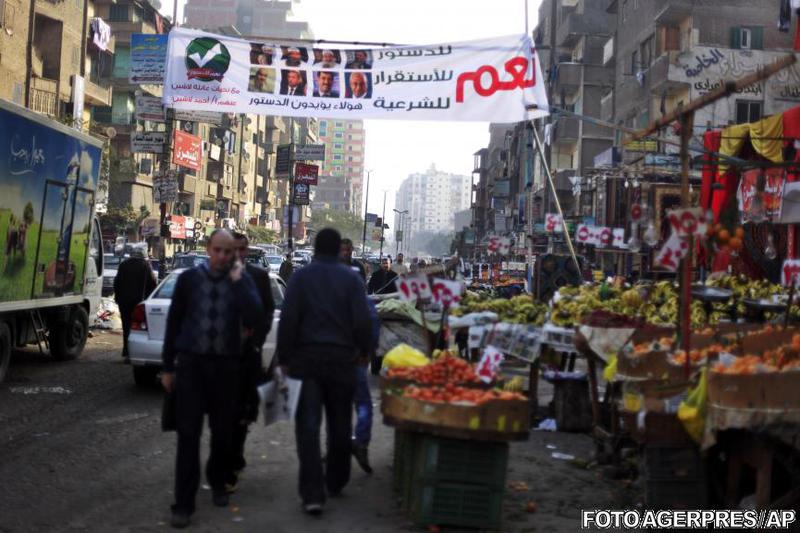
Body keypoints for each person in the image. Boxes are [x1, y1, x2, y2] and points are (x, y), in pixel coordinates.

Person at [161, 229, 265, 529]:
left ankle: (218, 483)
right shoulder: (189, 280)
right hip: (192, 366)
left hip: (226, 369)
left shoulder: (240, 281)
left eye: (228, 252)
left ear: (234, 253)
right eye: (217, 250)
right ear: (208, 249)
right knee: (188, 436)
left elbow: (256, 315)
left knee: (223, 434)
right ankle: (183, 503)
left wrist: (240, 281)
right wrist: (168, 367)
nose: (222, 256)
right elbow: (174, 322)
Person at [277, 228, 372, 515]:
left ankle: (312, 494)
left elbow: (288, 319)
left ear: (316, 249)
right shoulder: (352, 280)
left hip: (306, 362)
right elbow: (363, 320)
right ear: (337, 250)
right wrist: (363, 352)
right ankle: (336, 480)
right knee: (340, 422)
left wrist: (284, 357)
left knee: (308, 427)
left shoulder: (301, 278)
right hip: (342, 362)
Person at [227, 233, 276, 492]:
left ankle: (236, 454)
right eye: (233, 249)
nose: (238, 254)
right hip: (222, 357)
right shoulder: (216, 275)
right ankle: (226, 461)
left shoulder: (258, 277)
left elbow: (267, 311)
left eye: (242, 249)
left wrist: (256, 336)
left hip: (249, 355)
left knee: (245, 410)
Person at [114, 250, 157, 360]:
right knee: (138, 328)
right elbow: (152, 283)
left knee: (126, 326)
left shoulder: (123, 265)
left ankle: (127, 352)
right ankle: (136, 353)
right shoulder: (145, 266)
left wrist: (117, 297)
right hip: (139, 302)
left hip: (124, 302)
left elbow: (116, 282)